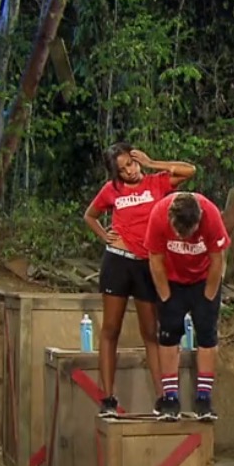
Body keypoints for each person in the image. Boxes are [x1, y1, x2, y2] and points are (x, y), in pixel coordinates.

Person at [83, 144, 197, 416]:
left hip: (147, 263)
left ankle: (163, 398)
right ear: (116, 173)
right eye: (123, 169)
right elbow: (90, 215)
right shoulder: (111, 190)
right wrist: (104, 235)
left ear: (137, 159)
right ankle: (108, 399)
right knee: (111, 329)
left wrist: (152, 162)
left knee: (150, 331)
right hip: (118, 261)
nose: (130, 171)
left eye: (131, 164)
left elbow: (190, 171)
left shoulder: (156, 183)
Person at [144, 191, 229, 421]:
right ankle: (170, 398)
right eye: (179, 233)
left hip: (203, 278)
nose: (183, 238)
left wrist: (209, 296)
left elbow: (218, 259)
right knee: (168, 335)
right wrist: (165, 296)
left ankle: (204, 398)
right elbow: (155, 259)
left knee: (207, 335)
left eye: (188, 233)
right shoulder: (158, 215)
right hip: (172, 280)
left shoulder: (211, 215)